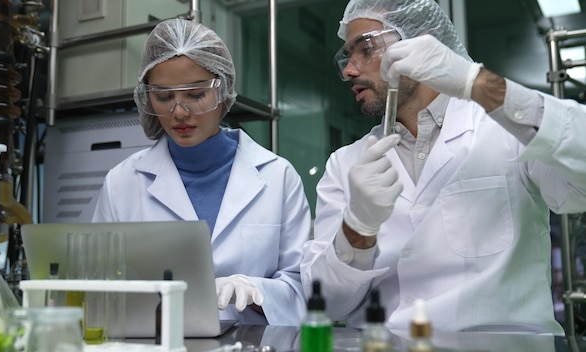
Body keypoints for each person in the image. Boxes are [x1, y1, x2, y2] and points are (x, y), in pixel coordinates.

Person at [301, 0, 586, 335]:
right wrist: (357, 228)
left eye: (365, 49)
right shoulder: (346, 163)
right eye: (346, 57)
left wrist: (476, 83)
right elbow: (327, 302)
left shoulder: (504, 132)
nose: (349, 70)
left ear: (420, 41)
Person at [92, 18, 311, 326]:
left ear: (223, 90)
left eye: (195, 95)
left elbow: (304, 290)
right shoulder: (122, 183)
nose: (179, 112)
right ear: (146, 97)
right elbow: (96, 288)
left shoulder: (278, 177)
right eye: (164, 97)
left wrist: (258, 291)